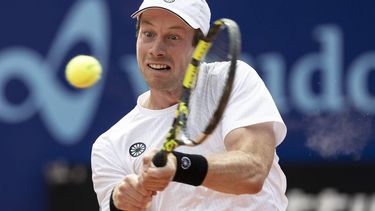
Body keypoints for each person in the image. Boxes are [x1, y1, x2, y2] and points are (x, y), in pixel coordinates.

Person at [91, 0, 288, 210]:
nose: (157, 49)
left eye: (173, 37)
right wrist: (121, 203)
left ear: (199, 49)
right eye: (148, 34)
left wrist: (180, 166)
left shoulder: (232, 80)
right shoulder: (109, 145)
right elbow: (119, 203)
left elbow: (253, 171)